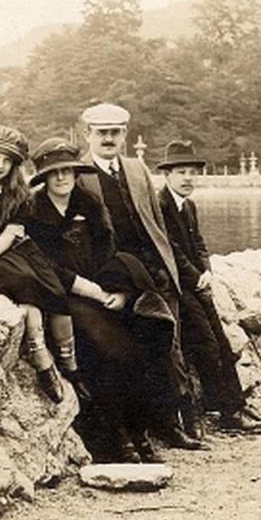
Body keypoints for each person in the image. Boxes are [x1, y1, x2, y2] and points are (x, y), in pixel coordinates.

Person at [23, 137, 178, 463]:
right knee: (107, 350)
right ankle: (116, 440)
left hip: (101, 290)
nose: (62, 178)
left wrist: (119, 292)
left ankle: (140, 432)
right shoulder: (33, 210)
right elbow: (43, 265)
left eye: (67, 171)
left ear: (76, 174)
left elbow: (108, 253)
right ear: (45, 179)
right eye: (54, 173)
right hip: (64, 296)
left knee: (140, 343)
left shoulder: (89, 203)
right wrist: (87, 289)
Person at [75, 102, 205, 450]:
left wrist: (166, 270)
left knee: (164, 350)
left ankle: (167, 425)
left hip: (151, 274)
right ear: (87, 134)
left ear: (125, 136)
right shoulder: (77, 173)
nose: (108, 139)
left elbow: (157, 226)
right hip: (109, 278)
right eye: (101, 133)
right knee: (124, 354)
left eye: (115, 132)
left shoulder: (136, 169)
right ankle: (133, 434)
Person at [0, 126, 82, 403]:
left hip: (13, 250)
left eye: (6, 160)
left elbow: (10, 236)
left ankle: (70, 365)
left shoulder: (20, 195)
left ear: (14, 165)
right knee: (25, 289)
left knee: (55, 292)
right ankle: (42, 362)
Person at [157, 140, 261, 433]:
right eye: (181, 172)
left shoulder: (190, 206)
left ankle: (237, 404)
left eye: (192, 172)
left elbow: (198, 245)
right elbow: (170, 250)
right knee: (207, 345)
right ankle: (226, 412)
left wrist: (207, 271)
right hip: (177, 286)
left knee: (223, 343)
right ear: (167, 175)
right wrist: (195, 276)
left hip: (198, 282)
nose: (188, 178)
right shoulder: (160, 206)